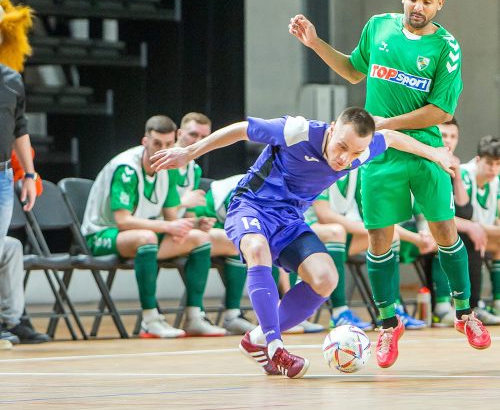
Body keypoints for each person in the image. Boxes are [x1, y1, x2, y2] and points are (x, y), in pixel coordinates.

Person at [151, 106, 454, 378]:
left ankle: (256, 339)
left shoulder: (363, 149)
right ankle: (274, 347)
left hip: (290, 220)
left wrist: (436, 153)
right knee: (257, 250)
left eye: (354, 153)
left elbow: (392, 138)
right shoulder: (297, 131)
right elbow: (241, 129)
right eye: (341, 147)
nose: (344, 159)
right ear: (332, 129)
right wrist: (191, 152)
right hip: (251, 205)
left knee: (326, 279)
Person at [290, 0, 491, 367]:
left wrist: (386, 124)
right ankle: (386, 324)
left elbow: (441, 110)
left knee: (444, 228)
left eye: (427, 1)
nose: (419, 6)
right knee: (379, 237)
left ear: (439, 5)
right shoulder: (378, 27)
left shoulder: (447, 47)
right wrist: (314, 44)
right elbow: (352, 70)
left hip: (424, 148)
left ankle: (465, 313)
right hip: (378, 152)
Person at [81, 115, 226, 338]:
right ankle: (150, 320)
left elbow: (170, 218)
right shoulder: (127, 168)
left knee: (199, 238)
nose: (163, 149)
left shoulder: (167, 168)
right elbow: (123, 221)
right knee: (146, 237)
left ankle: (194, 317)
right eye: (157, 143)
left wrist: (193, 223)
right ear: (145, 141)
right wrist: (168, 228)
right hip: (102, 234)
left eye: (168, 144)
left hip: (142, 233)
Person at [305, 169, 436, 331]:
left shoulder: (356, 172)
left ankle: (391, 311)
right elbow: (324, 215)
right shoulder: (321, 167)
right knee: (337, 231)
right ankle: (339, 312)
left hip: (336, 241)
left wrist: (417, 239)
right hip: (305, 232)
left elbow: (373, 216)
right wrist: (415, 239)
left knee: (390, 235)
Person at [175, 113, 254, 334]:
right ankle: (194, 315)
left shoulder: (194, 169)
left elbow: (186, 215)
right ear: (179, 134)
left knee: (235, 242)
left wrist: (197, 222)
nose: (197, 141)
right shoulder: (165, 161)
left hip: (176, 230)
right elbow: (158, 208)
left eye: (203, 137)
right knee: (226, 240)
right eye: (192, 134)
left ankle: (232, 314)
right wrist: (183, 204)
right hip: (158, 230)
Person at [0, 62, 51, 348]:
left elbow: (20, 128)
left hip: (3, 174)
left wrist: (29, 174)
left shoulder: (10, 78)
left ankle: (11, 320)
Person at [460, 135, 500, 319]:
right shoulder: (464, 175)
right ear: (478, 160)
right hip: (458, 232)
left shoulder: (496, 182)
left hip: (479, 232)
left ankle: (497, 302)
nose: (494, 169)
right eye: (489, 163)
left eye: (498, 164)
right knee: (473, 240)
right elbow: (466, 218)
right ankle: (473, 305)